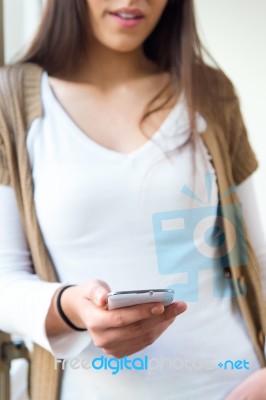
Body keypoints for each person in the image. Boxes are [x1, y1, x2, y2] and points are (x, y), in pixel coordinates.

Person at [0, 0, 265, 399]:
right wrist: (72, 308)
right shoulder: (11, 101)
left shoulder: (209, 91)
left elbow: (255, 257)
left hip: (234, 383)